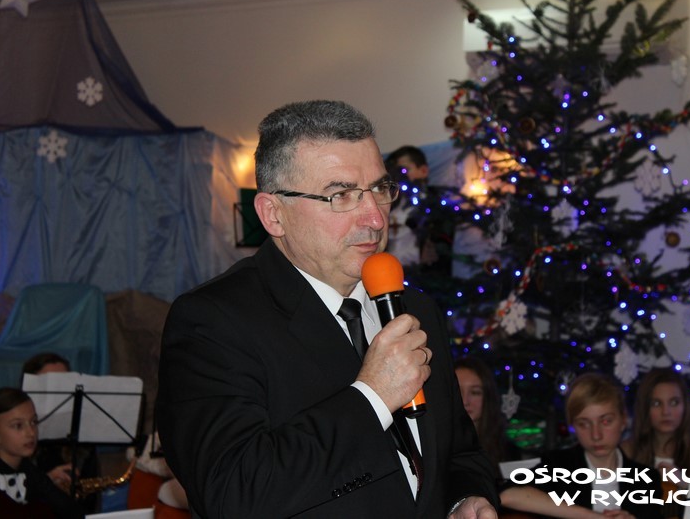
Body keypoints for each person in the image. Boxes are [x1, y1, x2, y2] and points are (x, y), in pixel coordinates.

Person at [156, 100, 498, 518]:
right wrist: (372, 397)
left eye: (380, 189)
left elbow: (460, 451)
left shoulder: (415, 308)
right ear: (273, 215)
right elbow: (233, 493)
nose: (375, 218)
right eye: (341, 195)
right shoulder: (212, 321)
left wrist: (465, 498)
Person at [500, 373, 660, 518]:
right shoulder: (558, 466)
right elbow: (505, 493)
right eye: (584, 424)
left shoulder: (646, 479)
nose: (596, 435)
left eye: (606, 421)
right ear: (572, 426)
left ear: (623, 420)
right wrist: (590, 516)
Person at [621, 367, 690, 485]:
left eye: (674, 403)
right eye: (656, 403)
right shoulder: (626, 452)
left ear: (685, 406)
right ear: (645, 408)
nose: (666, 412)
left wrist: (684, 484)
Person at [0, 387, 84, 519]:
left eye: (34, 422)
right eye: (18, 425)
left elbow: (72, 511)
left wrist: (47, 482)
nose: (31, 433)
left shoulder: (28, 470)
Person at [384, 145, 452, 273]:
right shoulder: (389, 202)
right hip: (389, 271)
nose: (399, 175)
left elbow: (443, 239)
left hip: (424, 274)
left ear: (423, 171)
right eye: (394, 171)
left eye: (404, 170)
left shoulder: (435, 203)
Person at [454, 357, 515, 476]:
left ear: (488, 398)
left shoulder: (506, 451)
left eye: (475, 392)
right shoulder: (433, 445)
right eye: (457, 392)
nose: (465, 401)